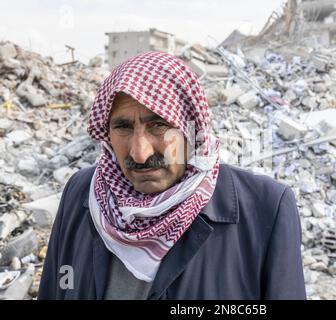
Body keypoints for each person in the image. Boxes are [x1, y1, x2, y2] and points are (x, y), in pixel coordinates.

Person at [38, 51, 306, 300]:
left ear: (191, 128)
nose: (140, 153)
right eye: (123, 127)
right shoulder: (82, 193)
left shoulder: (266, 209)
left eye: (159, 125)